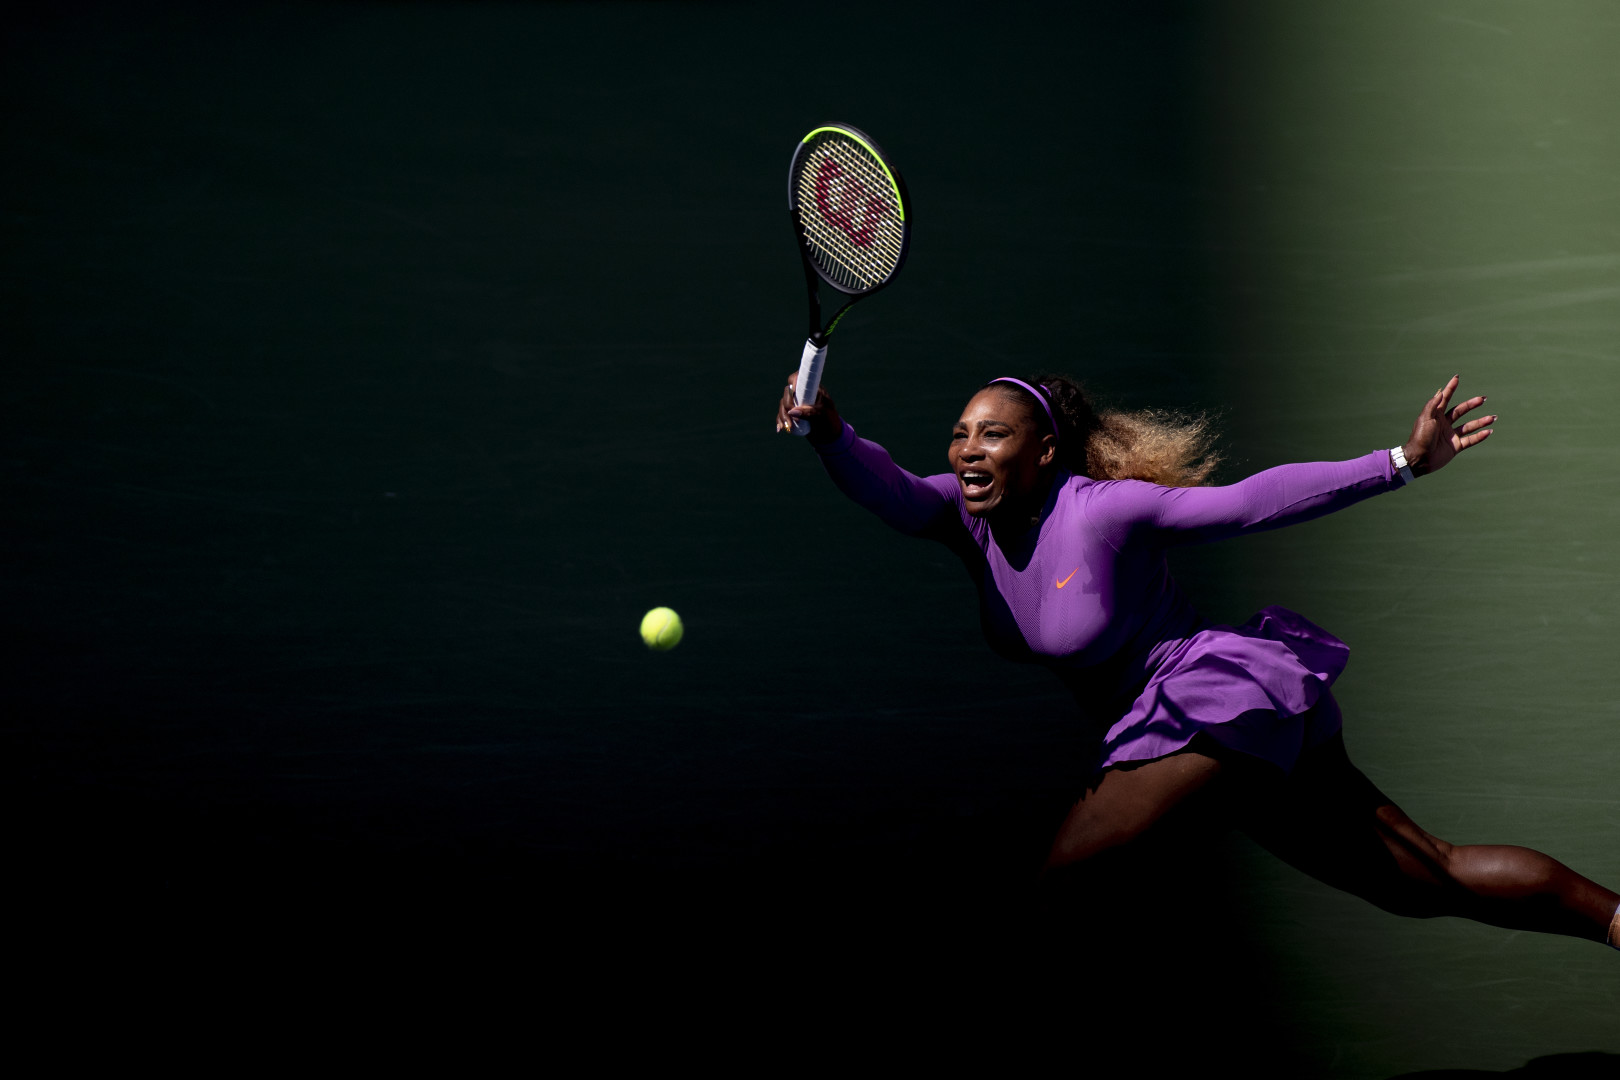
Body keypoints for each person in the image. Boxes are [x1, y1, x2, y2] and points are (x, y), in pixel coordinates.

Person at [776, 371, 1620, 951]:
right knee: (1424, 877)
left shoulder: (1104, 510)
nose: (967, 451)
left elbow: (1247, 503)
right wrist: (830, 431)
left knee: (1061, 887)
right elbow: (884, 484)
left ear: (1044, 452)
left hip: (1204, 701)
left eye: (993, 435)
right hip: (1215, 727)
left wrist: (1397, 463)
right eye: (960, 435)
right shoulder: (960, 515)